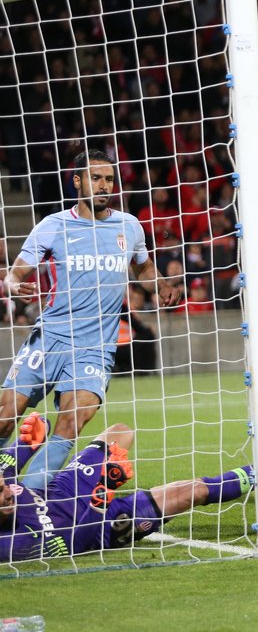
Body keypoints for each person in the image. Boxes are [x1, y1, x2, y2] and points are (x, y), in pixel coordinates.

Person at [0, 151, 182, 490]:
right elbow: (16, 272)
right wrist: (12, 284)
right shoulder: (53, 225)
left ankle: (30, 497)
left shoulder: (129, 226)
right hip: (51, 337)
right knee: (6, 415)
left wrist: (160, 285)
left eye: (109, 179)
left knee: (73, 420)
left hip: (95, 348)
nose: (104, 186)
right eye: (96, 178)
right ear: (78, 181)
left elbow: (142, 267)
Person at [0, 412, 258, 561]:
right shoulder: (7, 547)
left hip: (62, 492)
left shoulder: (5, 487)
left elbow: (10, 462)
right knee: (192, 492)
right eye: (1, 495)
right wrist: (103, 492)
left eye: (3, 488)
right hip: (95, 524)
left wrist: (28, 443)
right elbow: (73, 541)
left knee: (119, 433)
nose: (6, 493)